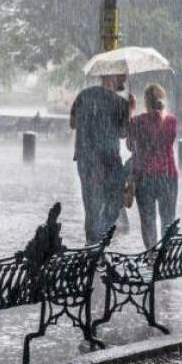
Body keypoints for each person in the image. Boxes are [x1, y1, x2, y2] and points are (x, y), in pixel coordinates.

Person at [70, 73, 134, 245]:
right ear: (111, 77)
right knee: (115, 201)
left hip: (86, 158)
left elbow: (73, 123)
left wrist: (90, 119)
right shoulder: (121, 103)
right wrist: (130, 111)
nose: (124, 80)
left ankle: (91, 243)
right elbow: (123, 134)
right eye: (121, 77)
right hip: (108, 161)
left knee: (91, 205)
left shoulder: (83, 96)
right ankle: (97, 238)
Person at [127, 84, 178, 249]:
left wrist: (131, 111)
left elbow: (130, 146)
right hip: (168, 176)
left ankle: (151, 255)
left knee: (148, 221)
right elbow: (167, 143)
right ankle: (166, 255)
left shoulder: (137, 121)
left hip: (145, 177)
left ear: (146, 102)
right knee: (168, 219)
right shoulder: (171, 121)